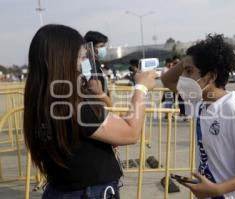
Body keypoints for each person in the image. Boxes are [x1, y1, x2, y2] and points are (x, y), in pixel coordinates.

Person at [24, 24, 156, 199]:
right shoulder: (73, 104)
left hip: (62, 189)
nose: (84, 63)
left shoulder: (44, 98)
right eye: (80, 57)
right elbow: (131, 133)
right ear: (63, 59)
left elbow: (102, 129)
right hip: (88, 192)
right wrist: (141, 89)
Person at [161, 34, 235, 199]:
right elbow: (166, 80)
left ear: (211, 76)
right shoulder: (200, 103)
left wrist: (218, 189)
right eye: (184, 71)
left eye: (189, 71)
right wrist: (188, 59)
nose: (183, 77)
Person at [84, 31, 112, 106]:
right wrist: (111, 107)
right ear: (90, 47)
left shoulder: (95, 65)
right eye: (101, 46)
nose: (104, 49)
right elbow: (96, 92)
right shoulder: (89, 67)